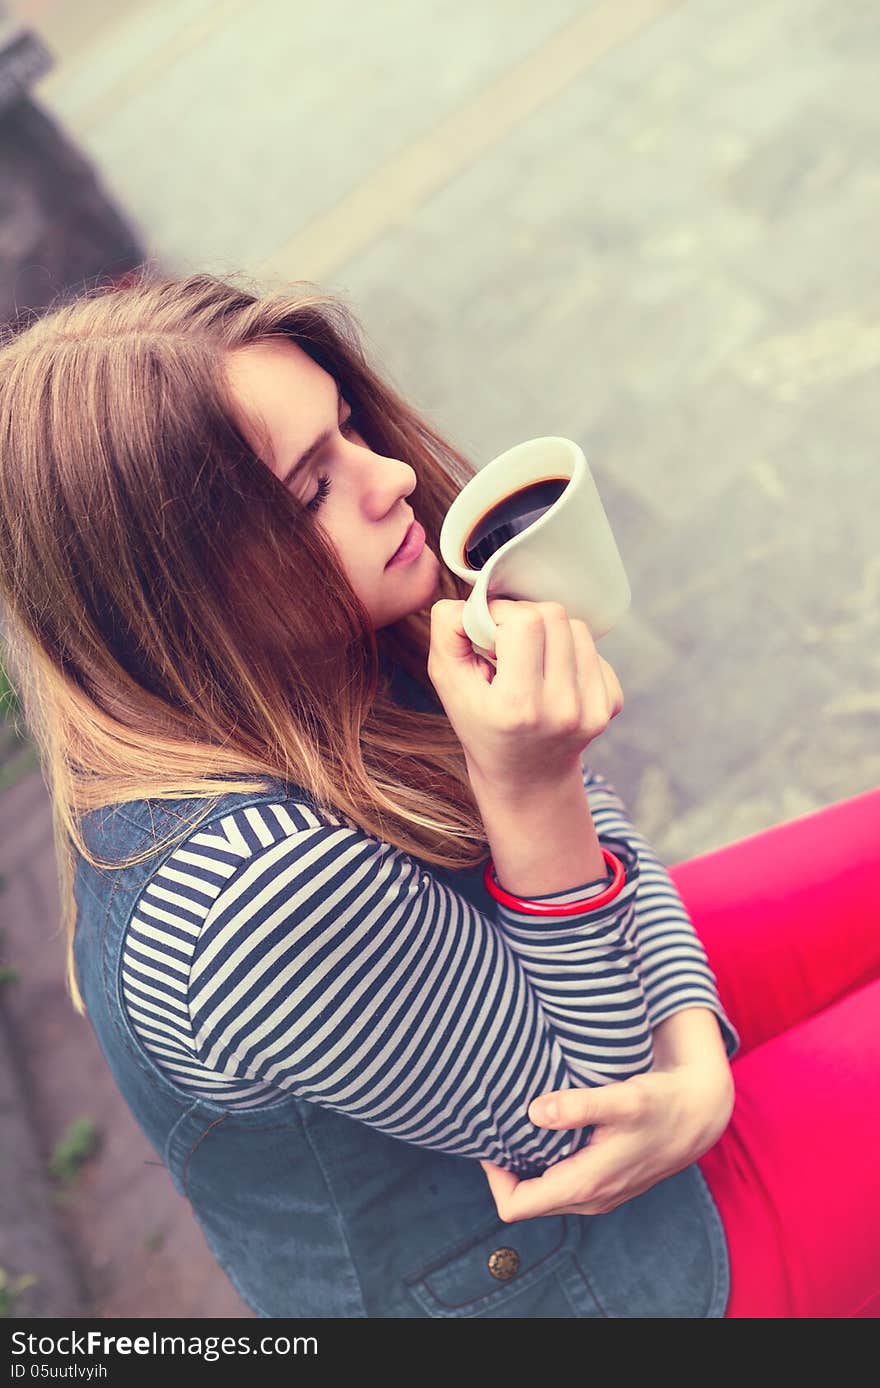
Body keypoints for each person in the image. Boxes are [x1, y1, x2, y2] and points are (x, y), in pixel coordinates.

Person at [0, 269, 876, 1319]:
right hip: (609, 1270)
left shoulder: (285, 658)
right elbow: (591, 1118)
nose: (386, 481)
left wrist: (695, 1054)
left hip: (580, 1013)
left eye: (349, 429)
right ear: (170, 600)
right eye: (310, 490)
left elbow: (599, 846)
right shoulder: (245, 890)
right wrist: (531, 779)